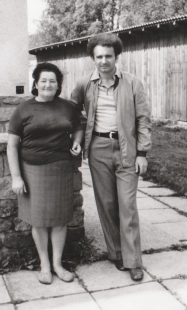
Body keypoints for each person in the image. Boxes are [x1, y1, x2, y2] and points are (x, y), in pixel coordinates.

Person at [71, 33, 151, 281]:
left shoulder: (132, 83)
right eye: (99, 56)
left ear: (116, 56)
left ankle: (133, 261)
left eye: (108, 56)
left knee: (127, 205)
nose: (104, 61)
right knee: (106, 204)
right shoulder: (85, 83)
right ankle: (116, 253)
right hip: (98, 149)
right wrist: (77, 138)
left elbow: (143, 120)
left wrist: (142, 153)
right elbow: (72, 113)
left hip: (127, 148)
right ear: (93, 58)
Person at [7, 62, 84, 285]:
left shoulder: (67, 107)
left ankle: (58, 264)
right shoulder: (23, 109)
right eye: (44, 80)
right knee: (38, 221)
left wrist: (77, 141)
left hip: (60, 169)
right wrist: (16, 177)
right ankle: (44, 265)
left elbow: (78, 126)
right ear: (36, 83)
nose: (48, 84)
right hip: (32, 171)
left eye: (53, 81)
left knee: (60, 220)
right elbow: (12, 145)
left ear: (58, 84)